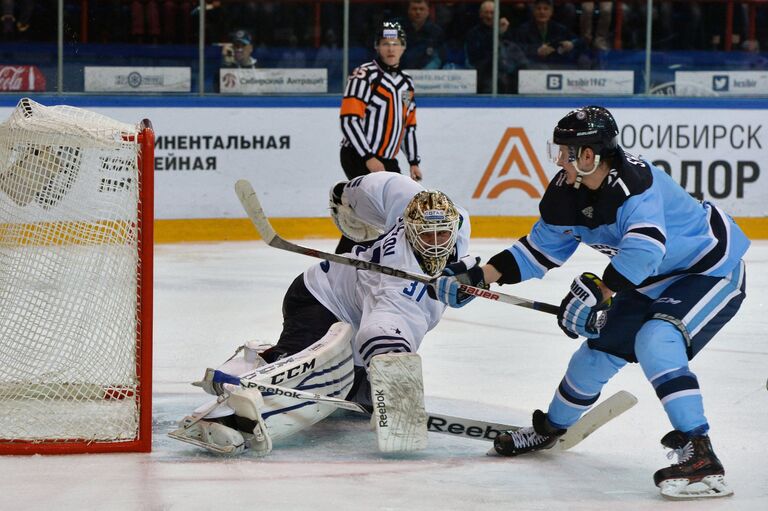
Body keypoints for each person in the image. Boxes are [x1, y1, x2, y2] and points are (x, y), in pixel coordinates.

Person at [433, 105, 748, 499]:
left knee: (656, 339)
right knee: (596, 353)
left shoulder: (637, 185)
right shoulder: (567, 192)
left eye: (565, 152)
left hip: (710, 269)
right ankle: (550, 428)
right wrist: (480, 278)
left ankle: (700, 452)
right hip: (647, 279)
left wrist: (600, 293)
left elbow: (645, 251)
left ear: (589, 155)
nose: (558, 159)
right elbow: (538, 251)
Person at [176, 172, 472, 454]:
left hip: (355, 310)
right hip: (321, 298)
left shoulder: (431, 210)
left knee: (357, 403)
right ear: (409, 227)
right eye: (426, 235)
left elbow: (385, 187)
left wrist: (345, 194)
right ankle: (227, 405)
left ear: (454, 226)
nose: (435, 243)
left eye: (442, 234)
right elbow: (381, 329)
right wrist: (396, 382)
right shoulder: (397, 281)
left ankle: (279, 361)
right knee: (309, 380)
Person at [337, 21, 422, 253]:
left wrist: (413, 161)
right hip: (358, 154)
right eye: (385, 43)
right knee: (372, 212)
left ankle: (372, 256)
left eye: (396, 43)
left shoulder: (406, 84)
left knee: (396, 210)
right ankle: (344, 258)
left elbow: (408, 125)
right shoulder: (364, 75)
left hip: (386, 160)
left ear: (403, 47)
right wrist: (368, 156)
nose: (391, 48)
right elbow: (349, 119)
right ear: (377, 46)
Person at [464, 0, 523, 93]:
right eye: (486, 13)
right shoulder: (473, 33)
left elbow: (516, 53)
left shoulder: (507, 31)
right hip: (485, 73)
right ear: (480, 14)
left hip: (508, 72)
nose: (489, 16)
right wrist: (496, 34)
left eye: (492, 13)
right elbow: (476, 57)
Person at [511, 0, 581, 69]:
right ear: (533, 11)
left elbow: (579, 41)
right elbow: (516, 48)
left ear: (551, 12)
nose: (542, 12)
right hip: (532, 66)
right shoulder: (523, 30)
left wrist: (572, 43)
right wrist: (536, 50)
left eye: (546, 9)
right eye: (538, 9)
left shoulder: (559, 29)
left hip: (556, 65)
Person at [400, 0, 445, 70]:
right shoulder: (397, 29)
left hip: (427, 74)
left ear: (428, 12)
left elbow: (439, 57)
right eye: (414, 9)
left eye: (422, 9)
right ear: (408, 11)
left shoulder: (436, 31)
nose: (418, 12)